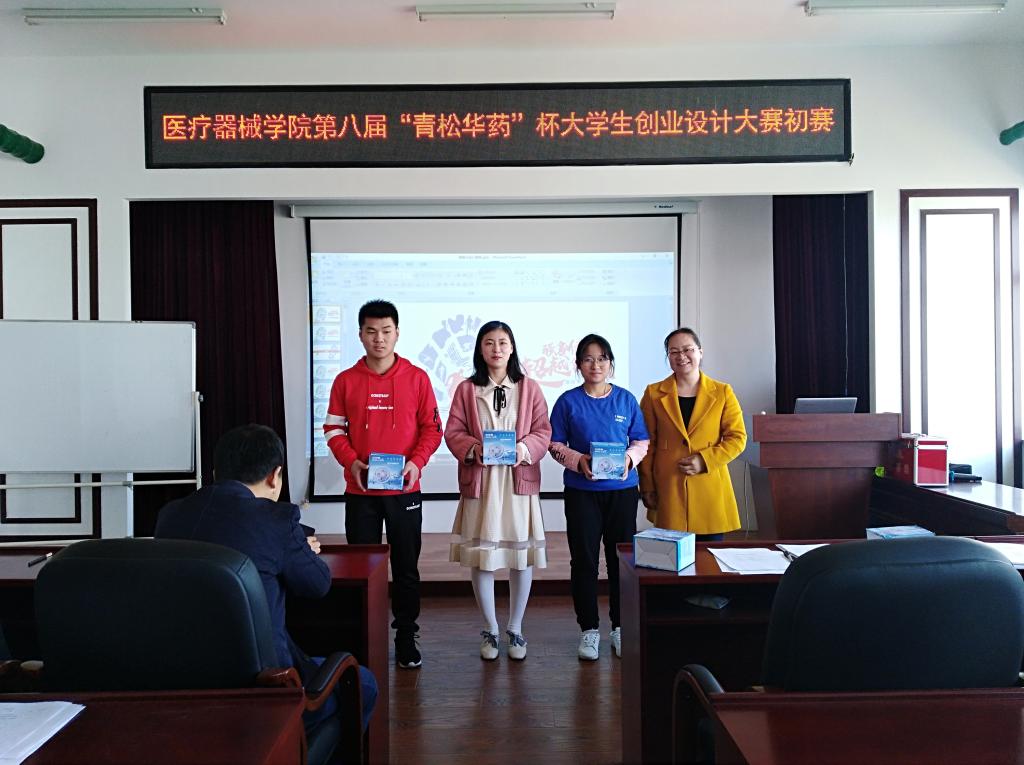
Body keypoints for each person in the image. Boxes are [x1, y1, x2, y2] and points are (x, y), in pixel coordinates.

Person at [154, 423, 377, 738]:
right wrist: (299, 549)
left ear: (216, 472)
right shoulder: (277, 520)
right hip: (267, 691)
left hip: (185, 690)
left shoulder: (170, 515)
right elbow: (318, 584)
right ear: (275, 476)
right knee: (365, 684)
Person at [323, 299, 443, 670]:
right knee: (361, 568)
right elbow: (333, 429)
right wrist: (351, 461)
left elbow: (432, 429)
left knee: (406, 568)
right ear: (360, 334)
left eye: (386, 331)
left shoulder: (417, 378)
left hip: (405, 491)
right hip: (361, 492)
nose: (379, 338)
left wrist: (416, 463)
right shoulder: (345, 380)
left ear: (397, 333)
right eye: (371, 331)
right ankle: (363, 637)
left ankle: (406, 635)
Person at [445, 320, 551, 661]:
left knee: (520, 557)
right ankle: (490, 629)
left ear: (512, 347)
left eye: (503, 342)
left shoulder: (529, 387)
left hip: (517, 481)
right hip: (483, 481)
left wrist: (523, 449)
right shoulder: (466, 389)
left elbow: (543, 430)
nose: (496, 349)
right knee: (483, 557)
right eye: (489, 342)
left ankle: (515, 628)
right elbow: (453, 431)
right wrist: (474, 448)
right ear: (480, 348)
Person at [548, 334, 649, 661]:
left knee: (622, 561)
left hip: (622, 492)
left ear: (610, 364)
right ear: (578, 365)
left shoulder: (625, 400)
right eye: (588, 359)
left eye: (602, 358)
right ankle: (589, 629)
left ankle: (620, 626)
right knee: (584, 561)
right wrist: (579, 461)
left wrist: (628, 460)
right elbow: (554, 444)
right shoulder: (567, 402)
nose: (596, 365)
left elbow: (641, 441)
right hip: (582, 493)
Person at [638, 328, 746, 541]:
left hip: (710, 488)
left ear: (700, 352)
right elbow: (646, 443)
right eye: (674, 352)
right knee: (671, 556)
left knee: (709, 557)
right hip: (669, 488)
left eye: (688, 349)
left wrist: (705, 460)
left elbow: (737, 438)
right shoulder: (653, 393)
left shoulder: (722, 392)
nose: (681, 356)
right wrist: (647, 486)